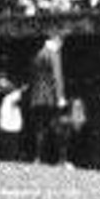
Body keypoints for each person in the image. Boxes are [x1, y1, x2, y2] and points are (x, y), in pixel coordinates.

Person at [25, 33, 68, 163]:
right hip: (50, 97)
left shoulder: (39, 54)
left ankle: (38, 158)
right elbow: (57, 77)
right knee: (58, 127)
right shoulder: (54, 54)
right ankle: (62, 160)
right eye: (61, 43)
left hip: (37, 97)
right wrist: (60, 97)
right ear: (58, 41)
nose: (61, 46)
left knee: (40, 128)